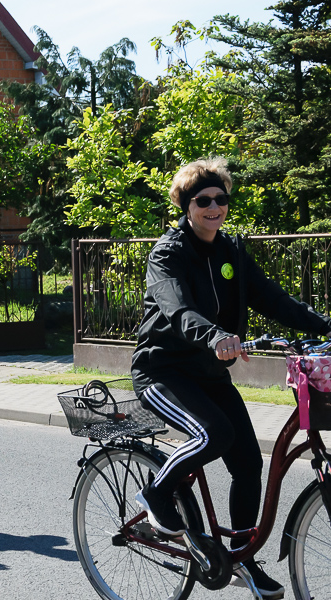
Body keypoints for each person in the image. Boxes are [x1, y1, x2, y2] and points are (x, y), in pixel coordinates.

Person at [132, 157, 331, 599]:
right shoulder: (168, 253)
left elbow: (274, 300)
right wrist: (215, 336)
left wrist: (325, 326)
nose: (214, 207)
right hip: (161, 372)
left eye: (220, 199)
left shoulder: (231, 252)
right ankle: (156, 493)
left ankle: (242, 558)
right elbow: (178, 309)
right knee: (214, 435)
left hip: (208, 375)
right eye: (203, 200)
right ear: (186, 205)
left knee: (248, 462)